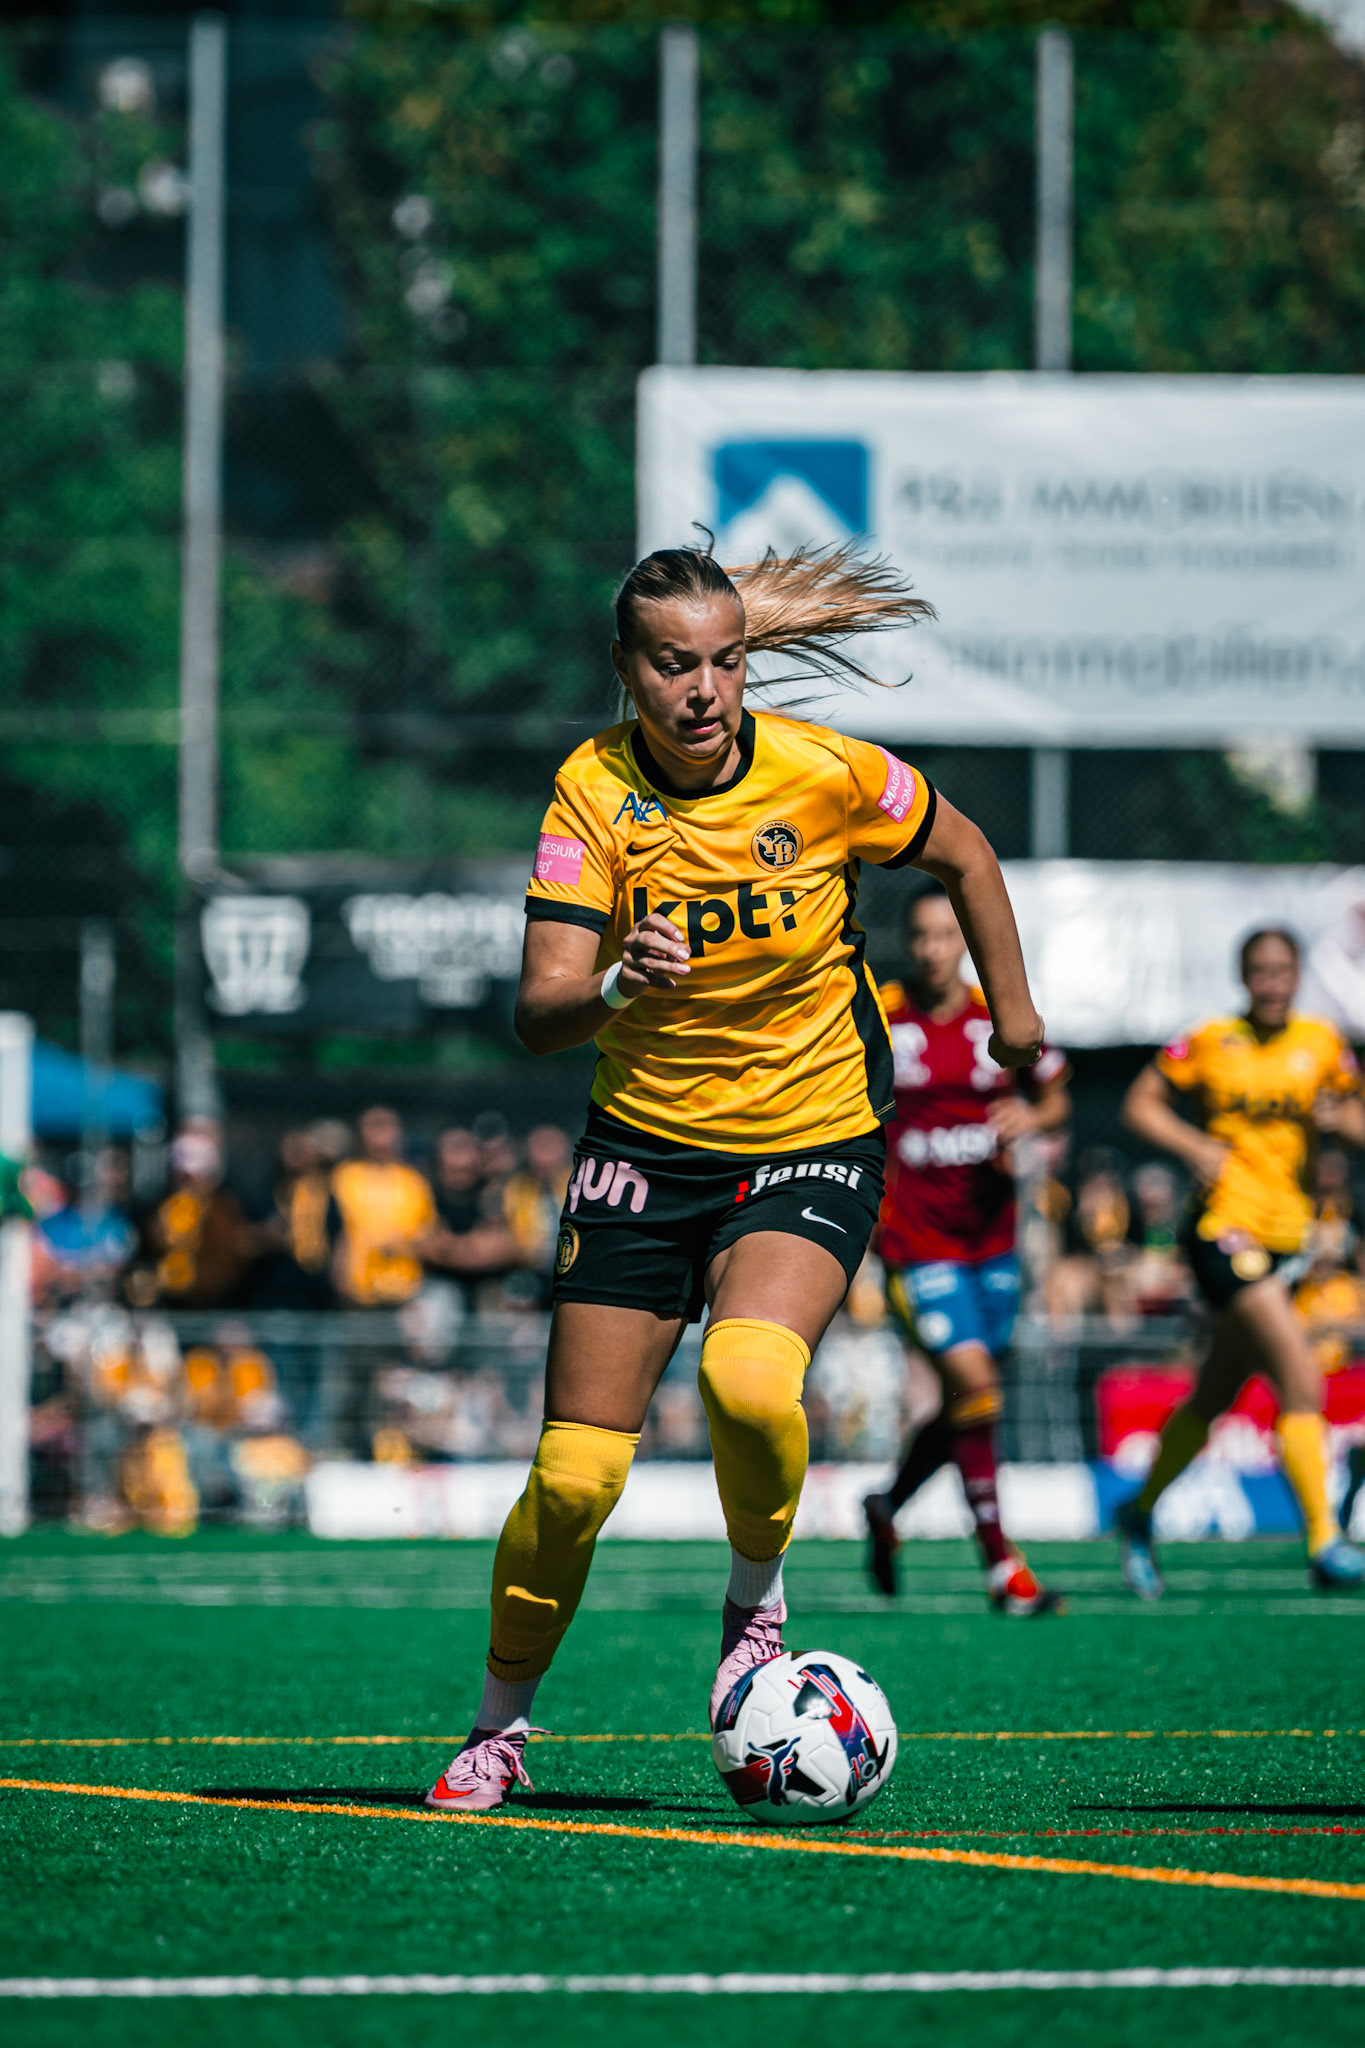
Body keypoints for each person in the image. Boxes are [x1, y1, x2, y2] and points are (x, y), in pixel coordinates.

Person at [424, 539, 1045, 1811]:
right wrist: (612, 980)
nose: (705, 691)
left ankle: (756, 1606)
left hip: (812, 1128)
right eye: (674, 666)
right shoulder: (590, 796)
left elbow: (968, 854)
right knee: (576, 1477)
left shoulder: (826, 774)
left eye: (726, 662)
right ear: (625, 672)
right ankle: (499, 1725)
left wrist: (1015, 1015)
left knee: (750, 1375)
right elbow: (539, 1011)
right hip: (644, 1148)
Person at [1117, 926, 1365, 1595]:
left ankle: (1135, 1515)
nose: (1271, 984)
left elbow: (1355, 1117)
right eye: (1259, 971)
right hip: (1223, 1230)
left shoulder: (1322, 1046)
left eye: (1282, 971)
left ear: (1296, 976)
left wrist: (1341, 1123)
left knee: (1215, 1393)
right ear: (1242, 976)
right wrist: (1193, 1145)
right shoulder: (1208, 1041)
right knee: (1299, 1378)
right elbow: (1138, 1102)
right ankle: (1324, 1542)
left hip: (1291, 1241)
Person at [862, 882, 1070, 1614]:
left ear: (965, 942)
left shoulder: (995, 1016)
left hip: (994, 1240)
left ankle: (887, 1506)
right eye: (919, 937)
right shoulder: (881, 1016)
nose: (932, 950)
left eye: (945, 936)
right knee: (976, 1387)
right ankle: (1001, 1566)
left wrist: (1029, 1116)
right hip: (916, 1243)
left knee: (968, 1402)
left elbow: (1053, 1092)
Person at [331, 1107, 435, 1309]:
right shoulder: (343, 1176)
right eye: (374, 1124)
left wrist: (400, 1244)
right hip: (355, 1291)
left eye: (387, 1125)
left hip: (404, 1290)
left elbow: (429, 1233)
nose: (381, 1132)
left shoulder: (414, 1181)